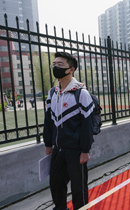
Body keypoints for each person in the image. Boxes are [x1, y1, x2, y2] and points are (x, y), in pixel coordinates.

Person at [43, 52, 95, 210]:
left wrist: (85, 150)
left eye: (60, 65)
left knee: (79, 187)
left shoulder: (81, 93)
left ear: (71, 69)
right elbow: (48, 121)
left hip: (76, 150)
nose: (55, 67)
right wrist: (48, 144)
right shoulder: (53, 93)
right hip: (57, 149)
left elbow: (88, 125)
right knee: (56, 184)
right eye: (54, 64)